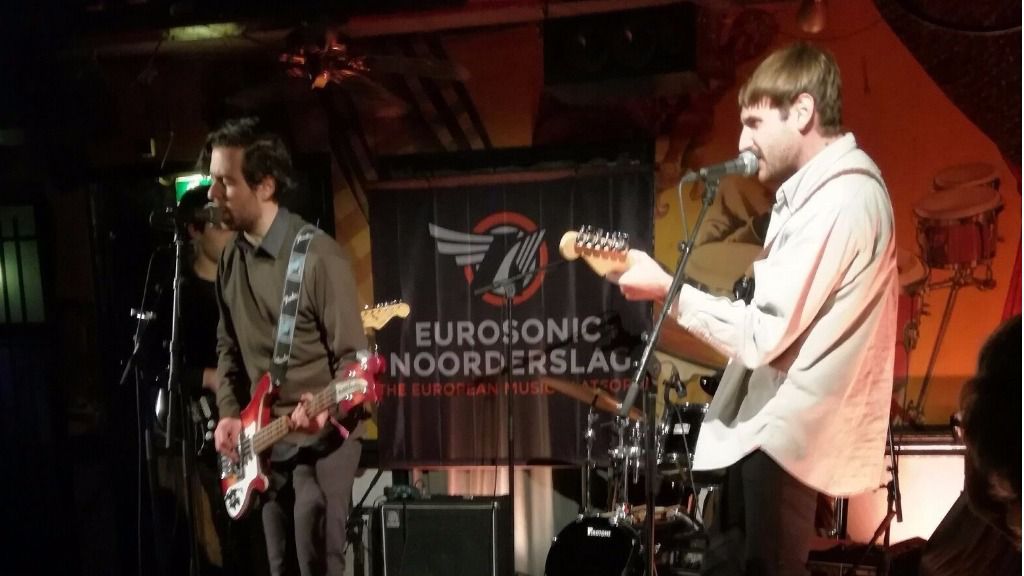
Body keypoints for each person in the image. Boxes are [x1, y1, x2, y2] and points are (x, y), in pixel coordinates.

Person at [611, 42, 898, 575]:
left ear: (803, 111)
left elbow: (762, 334)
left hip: (785, 438)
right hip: (768, 433)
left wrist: (666, 290)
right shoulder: (816, 197)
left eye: (754, 122)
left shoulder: (839, 200)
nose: (742, 141)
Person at [206, 117, 367, 576]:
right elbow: (228, 349)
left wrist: (326, 410)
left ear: (265, 185)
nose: (212, 194)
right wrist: (230, 414)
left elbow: (356, 365)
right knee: (280, 566)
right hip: (265, 443)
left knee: (317, 562)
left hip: (323, 440)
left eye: (225, 182)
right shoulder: (230, 261)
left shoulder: (318, 257)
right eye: (212, 180)